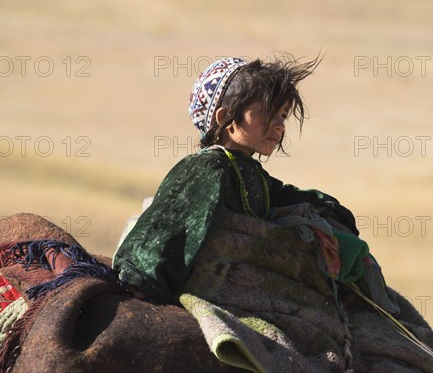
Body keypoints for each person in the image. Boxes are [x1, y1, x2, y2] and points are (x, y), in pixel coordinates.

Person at [112, 55, 384, 307]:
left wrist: (332, 214)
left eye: (283, 116)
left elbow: (285, 196)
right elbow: (168, 223)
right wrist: (144, 280)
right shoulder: (207, 167)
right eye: (266, 114)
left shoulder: (246, 171)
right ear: (225, 118)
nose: (279, 125)